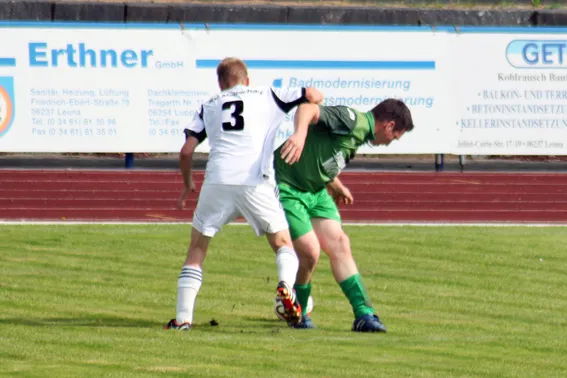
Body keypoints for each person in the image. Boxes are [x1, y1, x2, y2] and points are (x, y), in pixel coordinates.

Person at [164, 57, 323, 330]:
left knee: (197, 249)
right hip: (254, 180)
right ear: (246, 79)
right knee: (282, 243)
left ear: (220, 83)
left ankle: (182, 319)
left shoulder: (209, 105)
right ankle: (285, 287)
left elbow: (186, 151)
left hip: (217, 182)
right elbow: (313, 96)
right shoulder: (267, 94)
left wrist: (187, 183)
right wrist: (300, 131)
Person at [273, 99, 415, 332]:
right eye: (396, 135)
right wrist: (299, 135)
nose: (393, 141)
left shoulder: (359, 134)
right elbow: (307, 108)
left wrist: (335, 185)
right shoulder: (352, 120)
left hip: (316, 191)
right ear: (388, 125)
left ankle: (364, 314)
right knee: (310, 253)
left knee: (340, 243)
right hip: (289, 187)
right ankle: (297, 312)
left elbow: (320, 156)